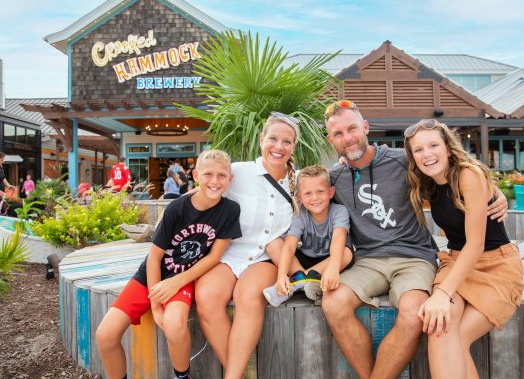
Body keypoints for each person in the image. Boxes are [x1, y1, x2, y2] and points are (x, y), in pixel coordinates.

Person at [321, 100, 509, 379]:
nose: (347, 138)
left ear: (366, 127)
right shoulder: (334, 177)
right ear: (331, 140)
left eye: (352, 129)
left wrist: (494, 192)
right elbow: (304, 194)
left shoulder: (404, 160)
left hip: (414, 256)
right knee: (333, 303)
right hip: (368, 259)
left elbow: (450, 169)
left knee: (414, 313)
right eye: (338, 134)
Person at [96, 150, 242, 379]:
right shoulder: (177, 208)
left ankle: (182, 376)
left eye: (222, 175)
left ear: (230, 179)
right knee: (105, 334)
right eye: (208, 174)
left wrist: (176, 282)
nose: (215, 181)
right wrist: (155, 305)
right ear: (195, 175)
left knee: (174, 324)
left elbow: (214, 257)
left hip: (183, 276)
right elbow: (154, 257)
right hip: (150, 276)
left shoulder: (230, 210)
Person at [404, 118, 523, 378]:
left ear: (448, 148)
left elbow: (476, 244)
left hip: (495, 266)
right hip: (456, 263)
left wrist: (441, 294)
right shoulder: (427, 181)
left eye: (433, 145)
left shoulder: (468, 174)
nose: (427, 154)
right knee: (440, 327)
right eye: (419, 150)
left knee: (457, 335)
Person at [194, 112, 299, 379]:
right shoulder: (237, 172)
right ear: (262, 139)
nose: (278, 147)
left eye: (286, 142)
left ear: (294, 147)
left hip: (267, 257)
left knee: (248, 296)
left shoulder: (299, 182)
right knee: (206, 297)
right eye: (273, 138)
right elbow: (204, 192)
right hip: (230, 252)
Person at [263, 164, 354, 306]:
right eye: (308, 193)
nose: (315, 198)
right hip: (304, 261)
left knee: (347, 253)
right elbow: (289, 246)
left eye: (320, 191)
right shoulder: (300, 215)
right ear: (300, 196)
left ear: (331, 192)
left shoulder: (339, 211)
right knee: (273, 244)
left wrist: (333, 267)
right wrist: (281, 276)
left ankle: (296, 283)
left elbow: (338, 238)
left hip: (329, 260)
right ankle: (305, 281)